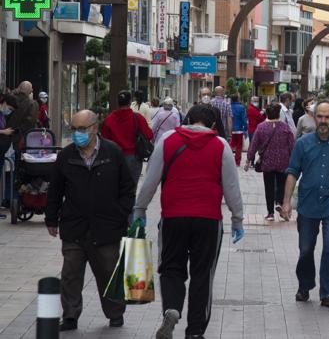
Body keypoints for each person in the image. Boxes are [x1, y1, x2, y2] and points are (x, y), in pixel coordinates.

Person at [133, 105, 244, 339]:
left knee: (171, 268)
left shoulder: (167, 140)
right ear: (214, 125)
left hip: (173, 217)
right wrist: (237, 219)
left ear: (186, 119)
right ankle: (195, 331)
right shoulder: (220, 145)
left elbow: (151, 178)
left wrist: (140, 208)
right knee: (203, 274)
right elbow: (231, 187)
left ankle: (172, 308)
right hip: (209, 220)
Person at [45, 110, 135, 332]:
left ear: (95, 128)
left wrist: (120, 213)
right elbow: (55, 190)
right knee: (71, 275)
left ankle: (115, 313)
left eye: (82, 129)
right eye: (74, 129)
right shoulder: (66, 156)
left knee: (107, 271)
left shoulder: (112, 153)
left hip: (106, 228)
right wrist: (51, 218)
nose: (78, 133)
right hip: (74, 226)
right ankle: (70, 316)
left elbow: (127, 188)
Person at [281, 100, 329, 308]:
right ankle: (304, 285)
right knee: (306, 249)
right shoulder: (302, 143)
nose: (323, 121)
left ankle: (328, 293)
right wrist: (286, 202)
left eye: (327, 117)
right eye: (320, 116)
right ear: (315, 118)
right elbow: (292, 172)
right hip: (308, 203)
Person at [245, 102, 295, 222]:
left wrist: (248, 159)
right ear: (278, 114)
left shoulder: (261, 127)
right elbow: (292, 145)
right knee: (281, 184)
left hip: (267, 161)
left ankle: (270, 213)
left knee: (269, 186)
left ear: (267, 114)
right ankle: (279, 202)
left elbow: (254, 145)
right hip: (283, 161)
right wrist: (293, 160)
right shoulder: (285, 127)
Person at [102, 90, 153, 186]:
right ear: (130, 102)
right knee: (131, 190)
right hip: (133, 158)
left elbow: (104, 139)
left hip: (114, 158)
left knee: (115, 188)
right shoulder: (137, 118)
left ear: (118, 102)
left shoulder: (109, 119)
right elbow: (149, 135)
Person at [10, 81, 39, 149]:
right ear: (29, 91)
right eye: (31, 89)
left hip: (8, 136)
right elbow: (30, 122)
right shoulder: (32, 104)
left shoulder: (10, 99)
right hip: (24, 139)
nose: (32, 90)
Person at [230, 94, 248, 166]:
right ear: (238, 99)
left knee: (231, 145)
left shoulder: (229, 107)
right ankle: (237, 162)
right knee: (239, 146)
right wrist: (245, 128)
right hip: (239, 129)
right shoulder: (241, 107)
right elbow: (244, 119)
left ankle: (228, 159)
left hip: (230, 129)